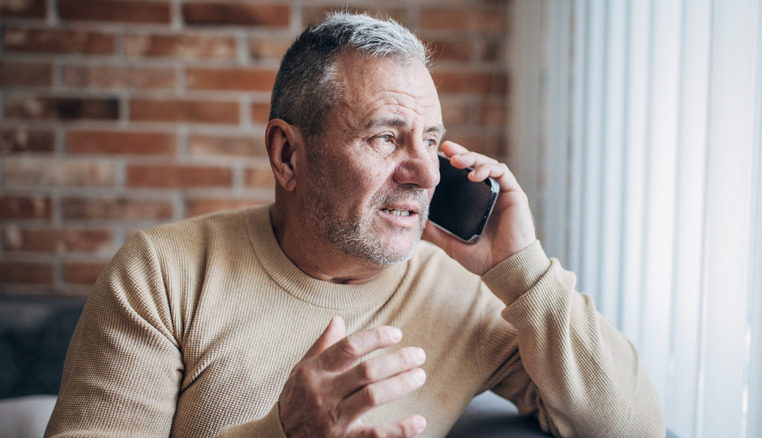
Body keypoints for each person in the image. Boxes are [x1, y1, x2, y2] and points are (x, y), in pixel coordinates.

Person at [45, 13, 665, 438]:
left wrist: (525, 273)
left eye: (432, 139)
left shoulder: (467, 295)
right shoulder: (163, 272)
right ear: (288, 155)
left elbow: (632, 426)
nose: (424, 173)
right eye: (385, 137)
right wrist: (281, 433)